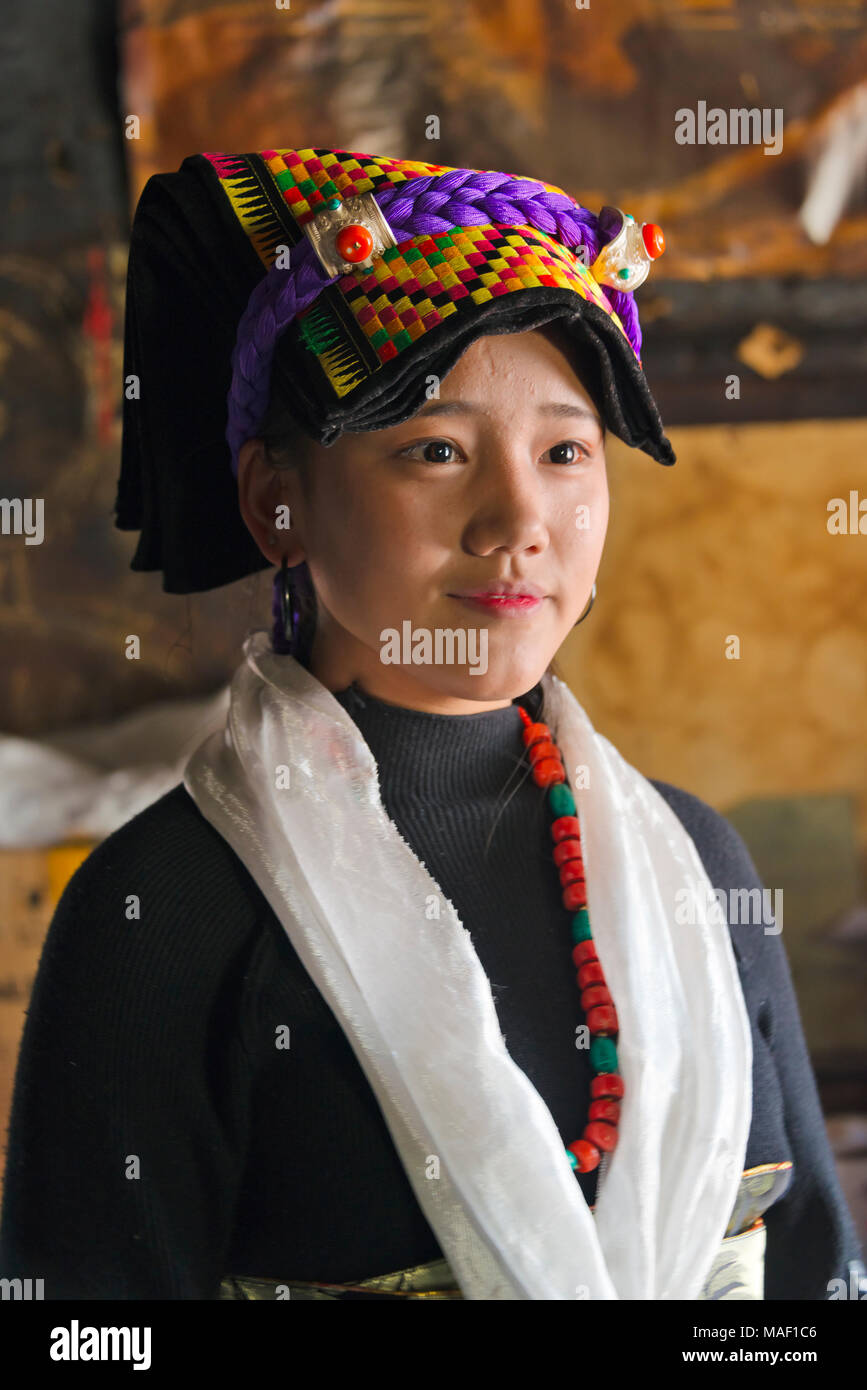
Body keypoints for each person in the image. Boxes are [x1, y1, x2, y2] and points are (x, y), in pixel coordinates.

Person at [0, 145, 862, 1301]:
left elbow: (812, 1274)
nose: (520, 519)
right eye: (436, 451)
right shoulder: (161, 918)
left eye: (565, 451)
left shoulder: (696, 866)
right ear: (275, 499)